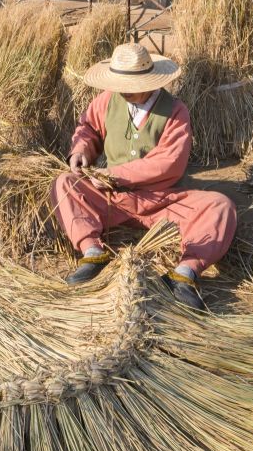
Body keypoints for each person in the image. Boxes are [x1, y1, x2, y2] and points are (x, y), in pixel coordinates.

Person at [50, 43, 237, 311]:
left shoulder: (175, 111)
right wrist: (81, 151)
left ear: (150, 81)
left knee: (220, 206)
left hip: (163, 201)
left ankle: (185, 273)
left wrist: (114, 174)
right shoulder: (106, 101)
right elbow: (87, 128)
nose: (125, 90)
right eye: (121, 84)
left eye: (132, 84)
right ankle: (93, 252)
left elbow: (169, 163)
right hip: (112, 199)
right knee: (63, 184)